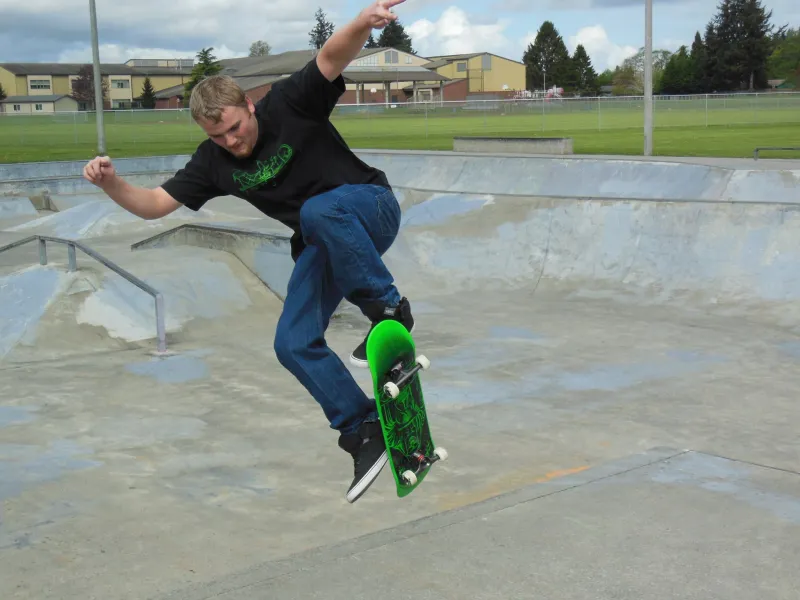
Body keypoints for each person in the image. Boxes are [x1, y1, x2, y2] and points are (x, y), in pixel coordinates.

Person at [82, 0, 415, 503]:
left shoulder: (290, 103)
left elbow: (330, 57)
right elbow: (154, 205)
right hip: (324, 244)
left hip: (369, 209)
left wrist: (361, 24)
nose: (232, 142)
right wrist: (111, 183)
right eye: (218, 135)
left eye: (235, 127)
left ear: (250, 106)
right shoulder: (212, 161)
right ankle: (363, 429)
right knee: (292, 342)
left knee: (318, 211)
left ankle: (388, 309)